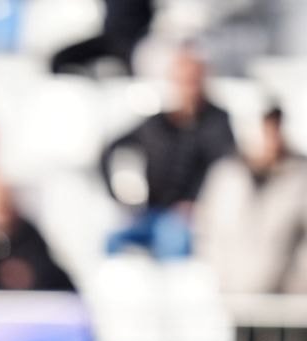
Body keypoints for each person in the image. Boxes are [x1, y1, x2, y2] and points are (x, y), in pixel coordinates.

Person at [100, 45, 234, 261]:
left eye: (192, 80)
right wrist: (121, 193)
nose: (187, 87)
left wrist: (198, 202)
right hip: (149, 213)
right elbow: (112, 148)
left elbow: (224, 168)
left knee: (173, 238)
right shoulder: (157, 123)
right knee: (113, 242)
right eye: (182, 80)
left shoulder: (217, 122)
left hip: (190, 218)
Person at [194, 105, 307, 294]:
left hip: (285, 301)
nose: (271, 140)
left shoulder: (300, 179)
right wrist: (220, 276)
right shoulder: (225, 177)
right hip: (232, 294)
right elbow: (206, 229)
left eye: (275, 130)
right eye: (265, 131)